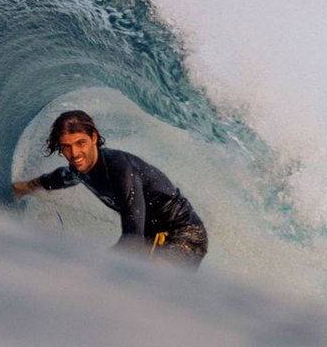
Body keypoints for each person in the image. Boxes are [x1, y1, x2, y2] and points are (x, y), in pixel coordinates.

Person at [11, 110, 208, 265]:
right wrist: (25, 187)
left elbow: (132, 239)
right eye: (66, 147)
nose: (75, 153)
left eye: (81, 143)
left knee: (153, 280)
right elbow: (60, 178)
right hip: (153, 237)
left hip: (184, 233)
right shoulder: (81, 169)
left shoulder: (121, 172)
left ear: (94, 138)